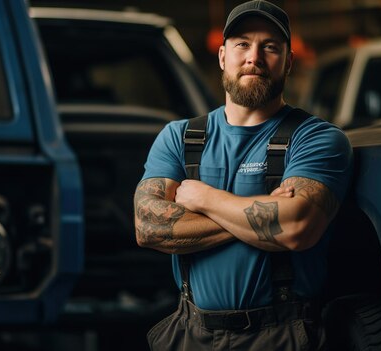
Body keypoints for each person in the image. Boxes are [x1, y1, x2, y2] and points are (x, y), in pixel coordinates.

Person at [134, 1, 353, 349]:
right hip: (191, 333)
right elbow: (149, 227)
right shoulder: (178, 137)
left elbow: (297, 226)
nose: (254, 57)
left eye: (270, 46)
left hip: (281, 334)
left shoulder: (318, 138)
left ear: (288, 61)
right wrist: (264, 215)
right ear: (223, 56)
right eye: (242, 44)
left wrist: (203, 200)